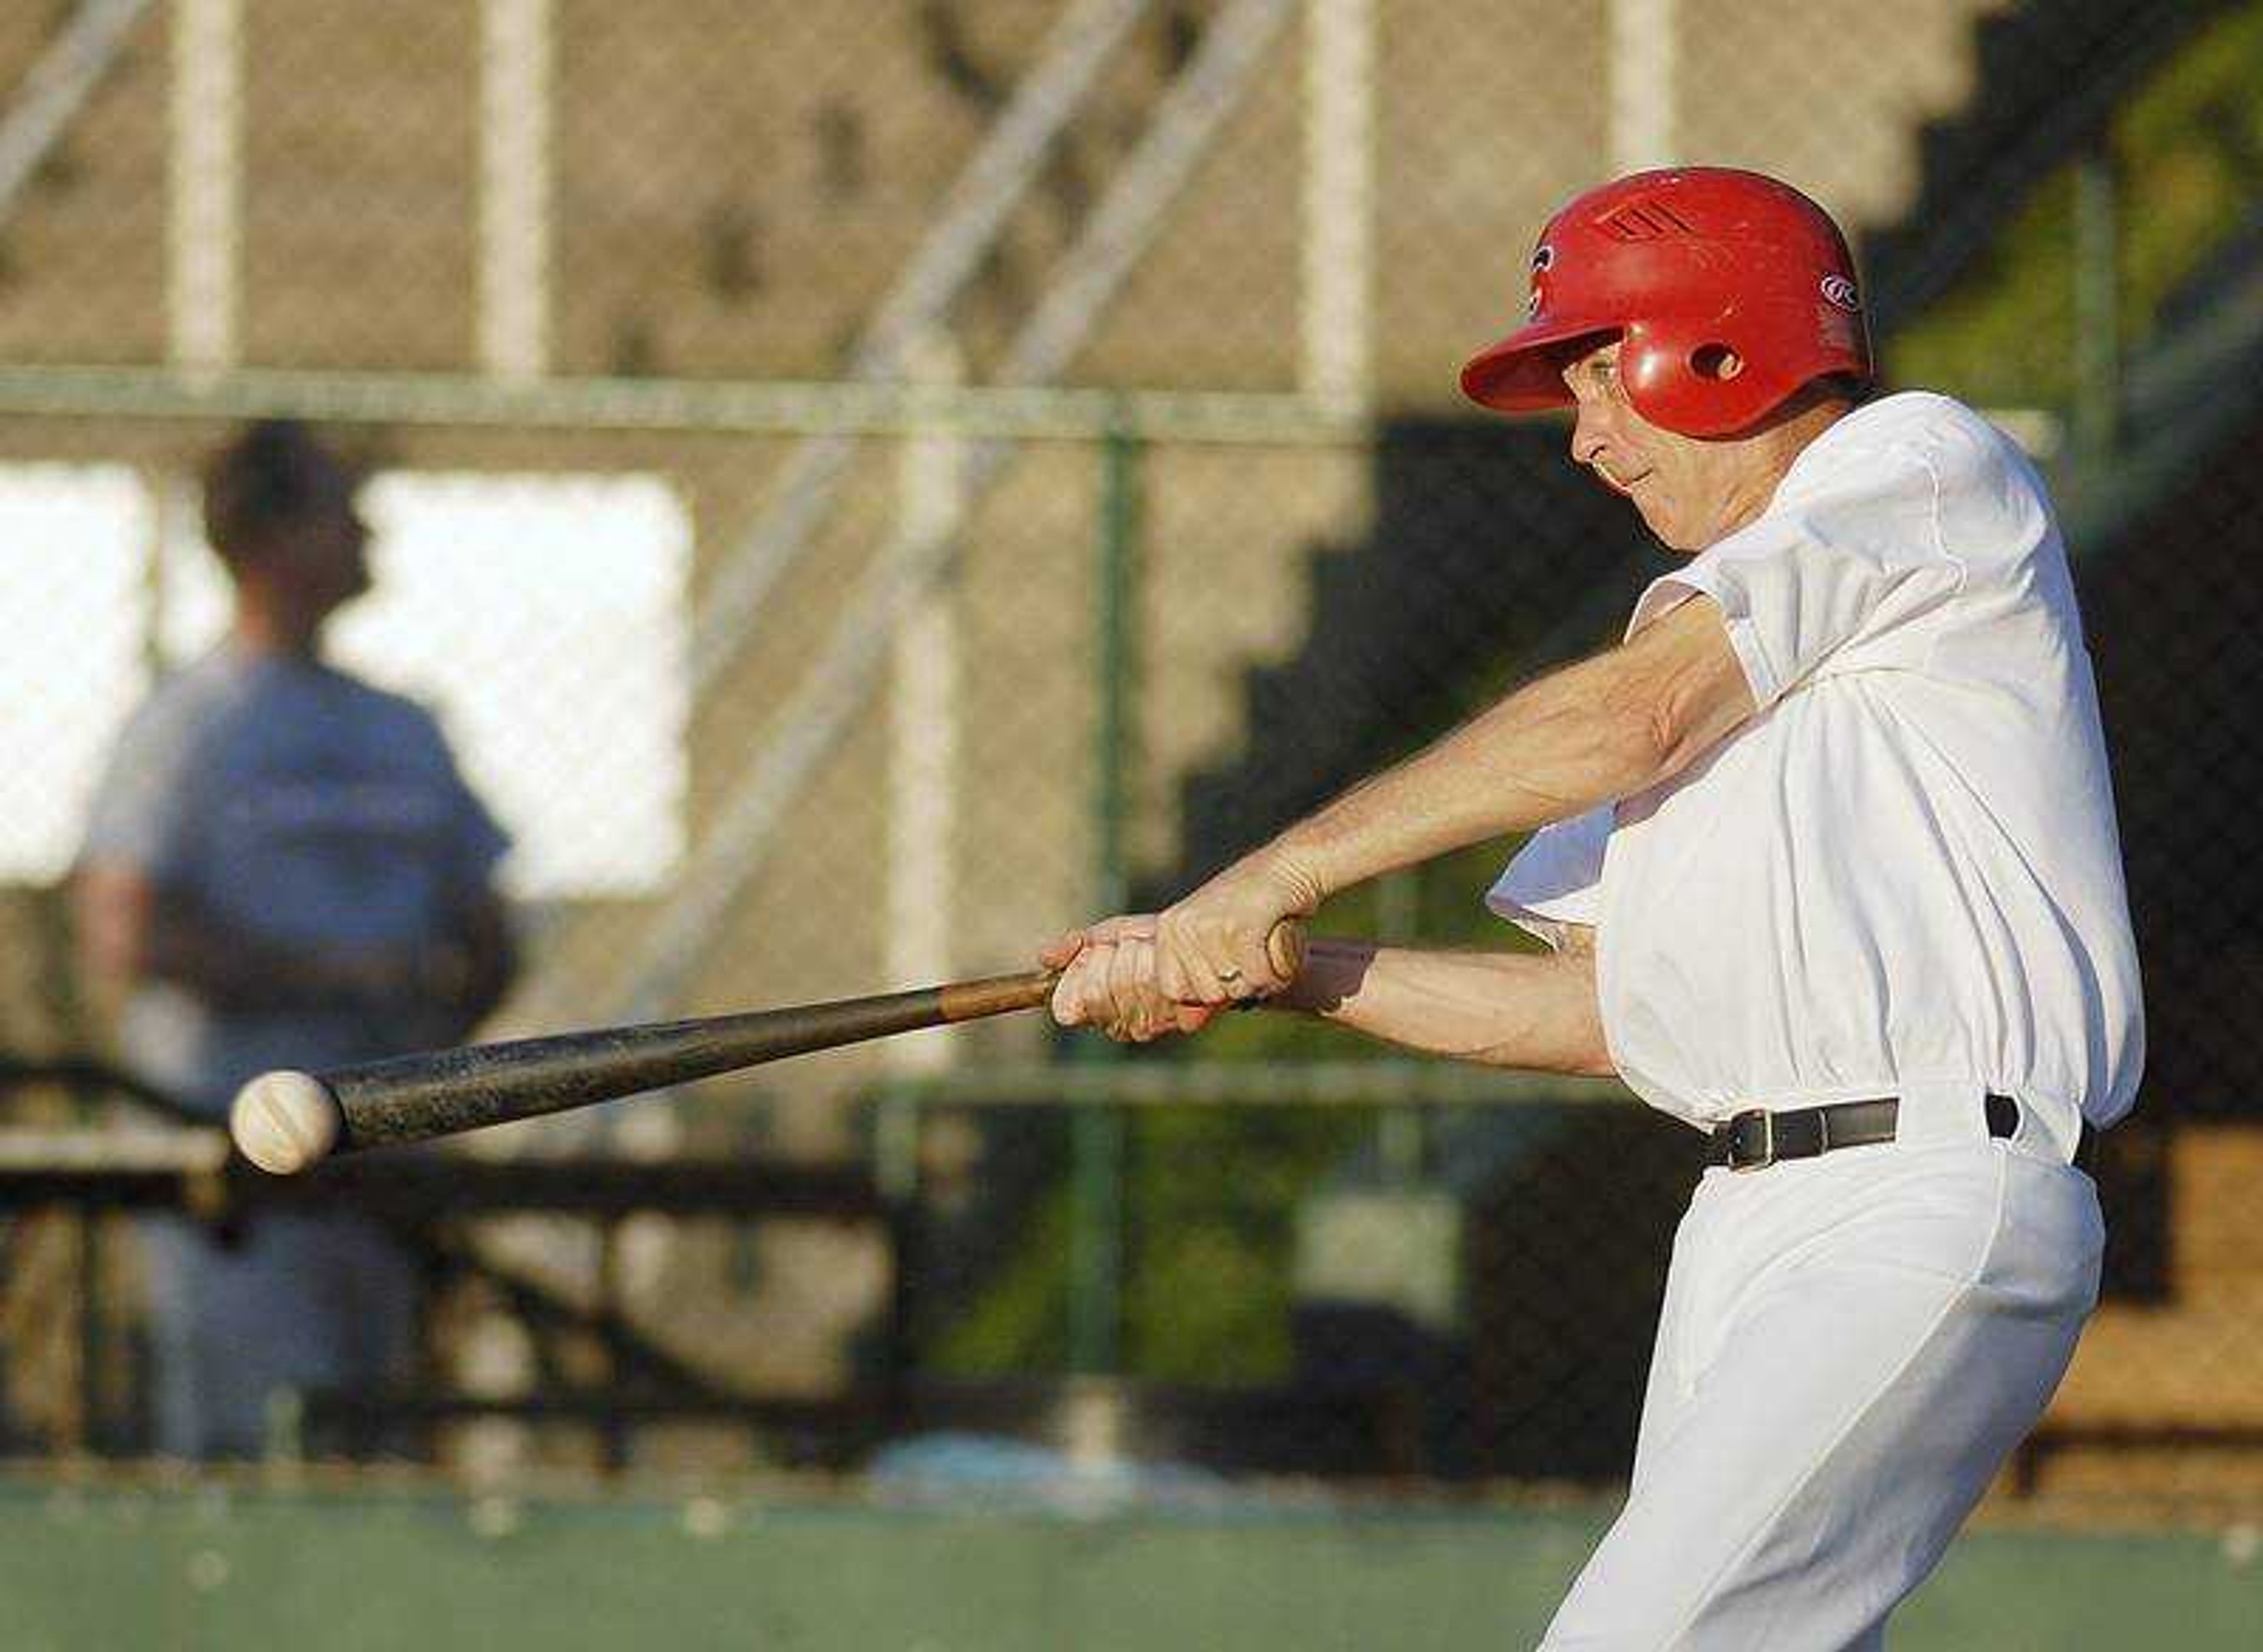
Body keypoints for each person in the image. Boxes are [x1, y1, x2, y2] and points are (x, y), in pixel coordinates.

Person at [1044, 167, 2141, 1647]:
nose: (1586, 438)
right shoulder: (1722, 626)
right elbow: (1595, 1012)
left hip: (1928, 1188)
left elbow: (1632, 723)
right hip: (1746, 1217)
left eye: (1596, 378)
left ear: (1721, 348)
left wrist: (1274, 871)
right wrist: (1276, 969)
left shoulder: (1917, 471)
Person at [75, 420, 516, 1459]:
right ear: (267, 537)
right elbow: (125, 929)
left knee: (385, 1428)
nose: (364, 531)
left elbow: (487, 928)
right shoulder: (190, 725)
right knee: (258, 1425)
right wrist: (331, 977)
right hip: (236, 1152)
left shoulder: (404, 725)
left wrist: (438, 1037)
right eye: (334, 509)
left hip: (388, 1150)